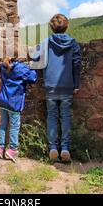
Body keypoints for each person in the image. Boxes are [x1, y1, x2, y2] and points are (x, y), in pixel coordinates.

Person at [31, 14, 82, 162]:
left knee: (52, 116)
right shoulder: (73, 43)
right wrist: (76, 84)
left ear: (51, 28)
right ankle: (65, 148)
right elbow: (77, 64)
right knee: (65, 116)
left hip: (50, 85)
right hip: (67, 85)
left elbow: (35, 57)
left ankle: (53, 148)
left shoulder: (46, 42)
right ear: (67, 26)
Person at [0, 58, 38, 163]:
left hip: (3, 100)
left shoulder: (3, 66)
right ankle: (12, 149)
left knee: (3, 124)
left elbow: (2, 71)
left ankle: (0, 148)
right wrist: (33, 66)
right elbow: (33, 78)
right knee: (14, 126)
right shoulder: (21, 68)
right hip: (14, 102)